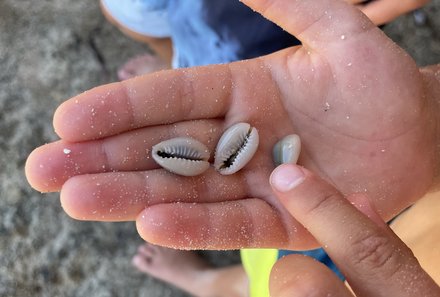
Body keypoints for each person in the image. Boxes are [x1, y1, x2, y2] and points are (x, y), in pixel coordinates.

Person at [25, 0, 440, 296]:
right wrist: (431, 120)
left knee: (267, 274)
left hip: (355, 246)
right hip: (384, 209)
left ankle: (205, 283)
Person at [100, 0, 431, 80]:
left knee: (219, 72)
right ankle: (172, 55)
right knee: (122, 8)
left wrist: (337, 25)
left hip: (275, 27)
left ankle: (180, 63)